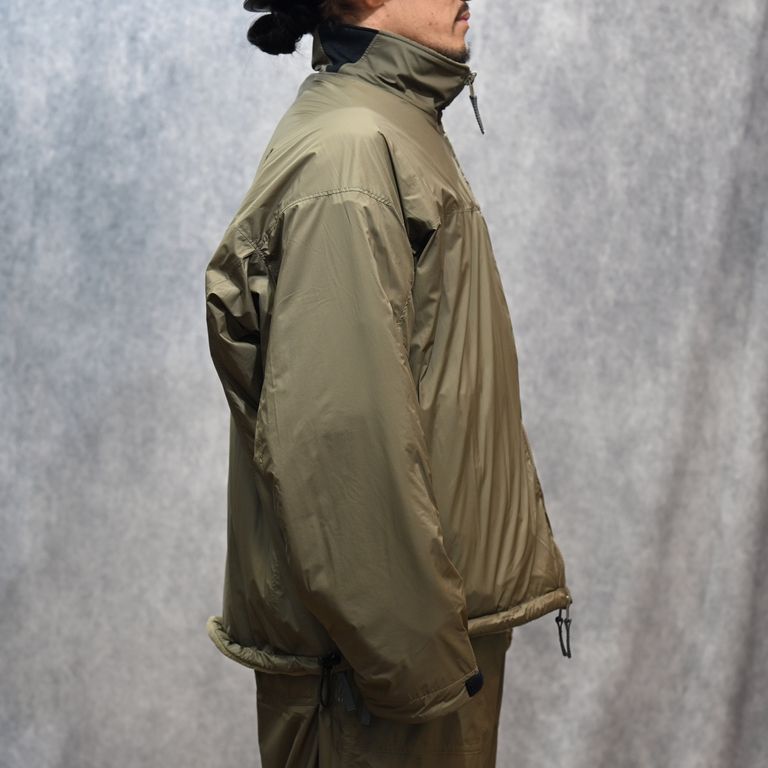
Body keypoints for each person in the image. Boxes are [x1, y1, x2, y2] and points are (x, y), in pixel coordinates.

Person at [204, 1, 574, 765]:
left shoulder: (391, 130)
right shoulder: (351, 155)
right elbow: (336, 446)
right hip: (385, 676)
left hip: (417, 647)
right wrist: (418, 667)